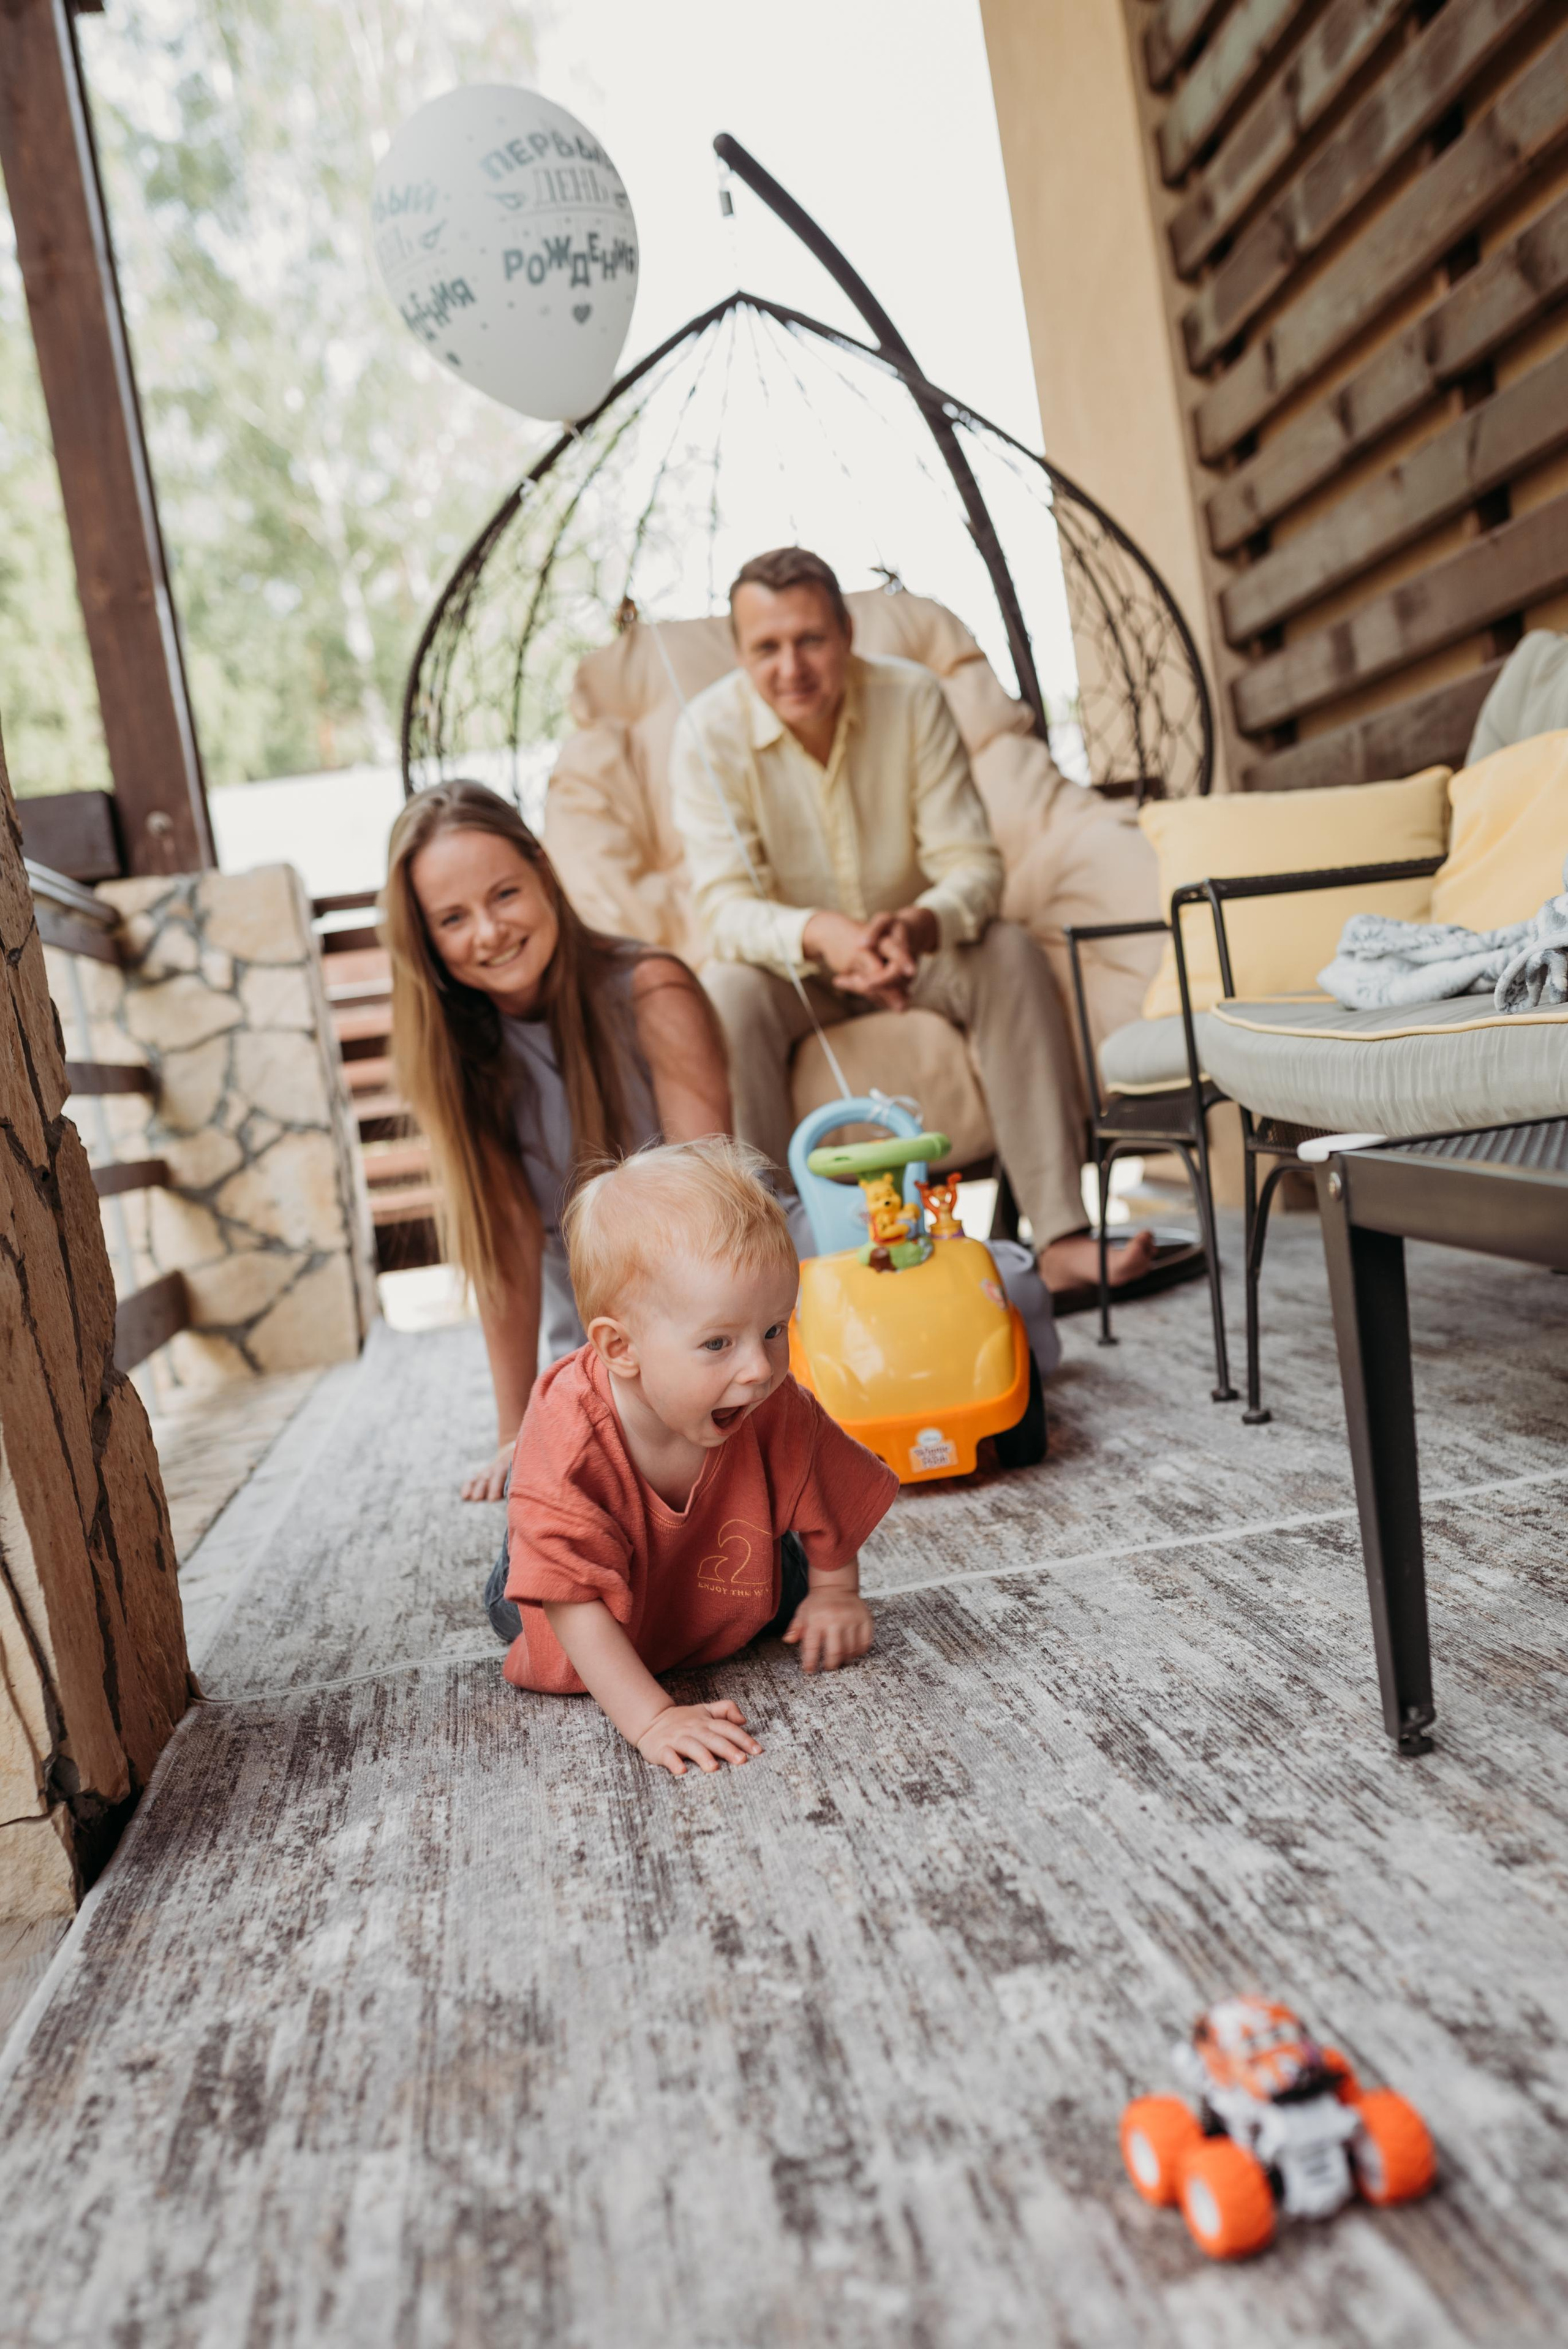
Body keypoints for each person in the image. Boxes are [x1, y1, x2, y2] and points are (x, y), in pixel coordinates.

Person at [668, 545, 1158, 1299]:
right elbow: (725, 908)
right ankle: (770, 1271)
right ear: (738, 654)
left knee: (1007, 951)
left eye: (810, 640)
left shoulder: (914, 697)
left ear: (847, 633)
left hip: (914, 948)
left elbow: (973, 865)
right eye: (766, 648)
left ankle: (1061, 1237)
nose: (791, 668)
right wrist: (822, 935)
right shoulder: (705, 733)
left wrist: (921, 926)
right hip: (791, 968)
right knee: (726, 992)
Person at [484, 1138, 898, 1777]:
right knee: (531, 1597)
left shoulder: (768, 1401)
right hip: (578, 1582)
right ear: (620, 1349)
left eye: (774, 1329)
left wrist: (836, 1593)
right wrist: (653, 1718)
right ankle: (526, 1515)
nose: (758, 1368)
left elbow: (830, 1490)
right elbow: (570, 1598)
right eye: (717, 1343)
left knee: (785, 1576)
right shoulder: (570, 1434)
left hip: (721, 1550)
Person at [385, 779, 732, 1502]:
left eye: (504, 894)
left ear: (544, 873)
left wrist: (686, 1369)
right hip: (599, 1328)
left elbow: (713, 1211)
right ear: (426, 940)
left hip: (717, 1284)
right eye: (453, 918)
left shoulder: (653, 991)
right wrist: (515, 1432)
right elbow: (506, 1250)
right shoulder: (457, 1054)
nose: (489, 932)